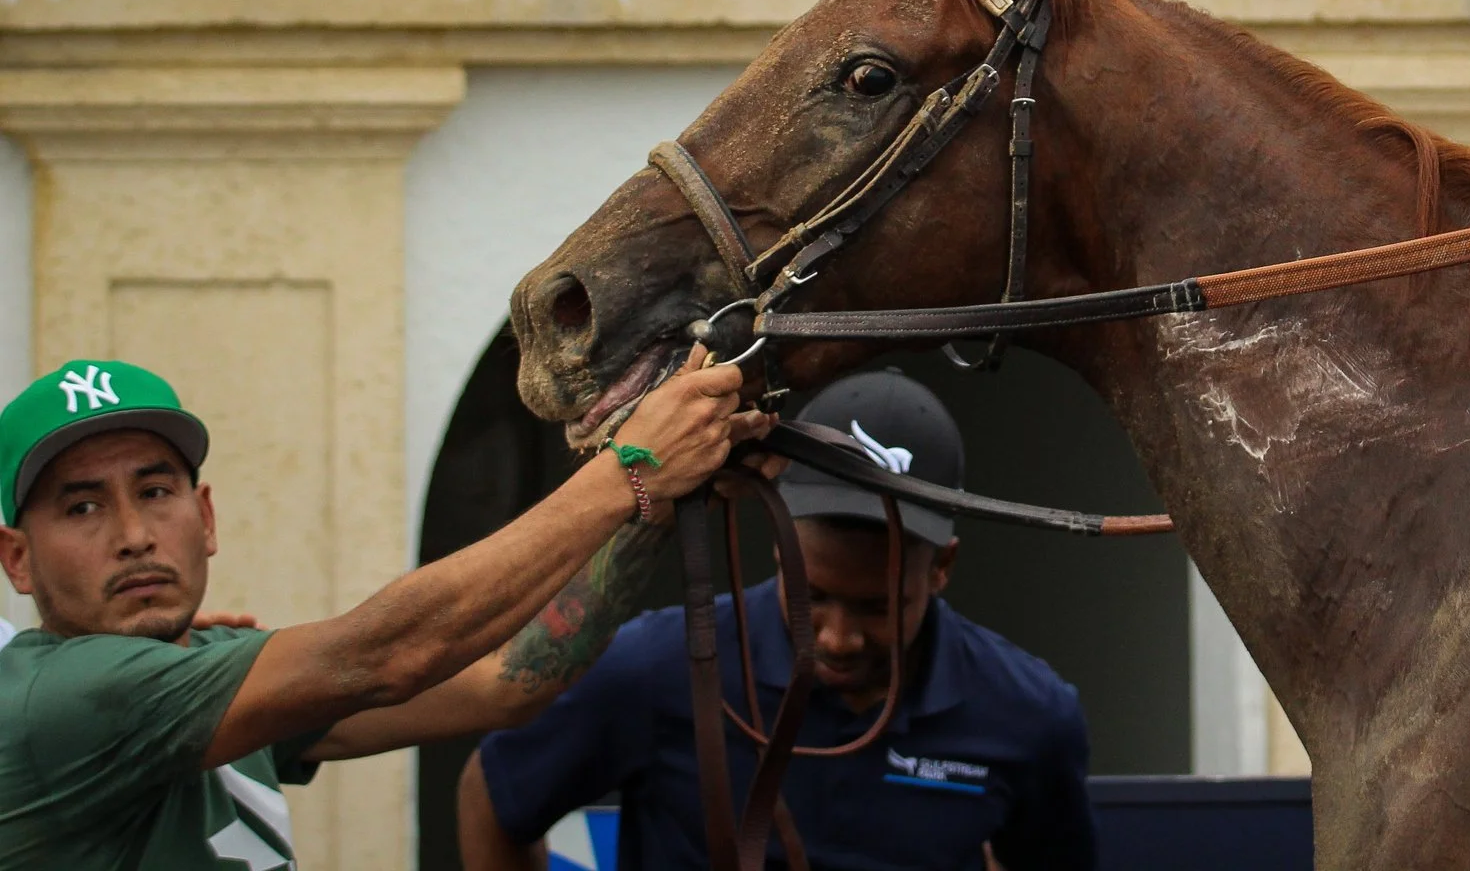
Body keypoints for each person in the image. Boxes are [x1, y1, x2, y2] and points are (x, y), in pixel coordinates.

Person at [0, 351, 763, 867]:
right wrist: (630, 469)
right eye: (82, 507)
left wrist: (654, 511)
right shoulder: (62, 702)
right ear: (18, 560)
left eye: (155, 491)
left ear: (205, 518)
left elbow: (508, 679)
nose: (133, 536)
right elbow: (386, 654)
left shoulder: (200, 673)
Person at [461, 370, 1097, 871]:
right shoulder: (657, 669)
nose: (836, 638)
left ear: (942, 568)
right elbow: (492, 797)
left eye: (878, 607)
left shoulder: (1028, 715)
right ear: (779, 543)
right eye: (811, 595)